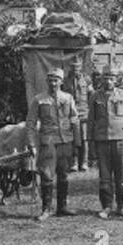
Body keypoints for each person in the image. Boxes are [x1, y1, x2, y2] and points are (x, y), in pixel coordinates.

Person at [26, 67, 80, 220]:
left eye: (56, 80)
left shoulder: (68, 98)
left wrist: (77, 142)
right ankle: (46, 209)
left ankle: (62, 207)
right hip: (48, 142)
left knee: (63, 175)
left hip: (65, 141)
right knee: (47, 175)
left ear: (61, 82)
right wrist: (31, 143)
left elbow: (75, 120)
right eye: (50, 80)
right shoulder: (39, 99)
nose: (53, 83)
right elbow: (30, 123)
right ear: (46, 82)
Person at [88, 69, 123, 219]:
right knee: (105, 176)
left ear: (116, 80)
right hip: (102, 139)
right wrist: (90, 141)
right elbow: (91, 120)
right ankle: (107, 206)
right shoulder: (95, 96)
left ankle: (122, 206)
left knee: (120, 176)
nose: (108, 81)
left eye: (111, 78)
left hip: (120, 138)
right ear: (102, 80)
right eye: (106, 78)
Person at [65, 58, 91, 172]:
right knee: (73, 139)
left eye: (77, 67)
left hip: (84, 112)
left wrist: (90, 110)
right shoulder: (65, 81)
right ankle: (74, 163)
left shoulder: (86, 79)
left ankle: (84, 163)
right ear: (70, 67)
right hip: (71, 113)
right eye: (73, 67)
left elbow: (91, 95)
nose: (75, 69)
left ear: (81, 67)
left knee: (84, 139)